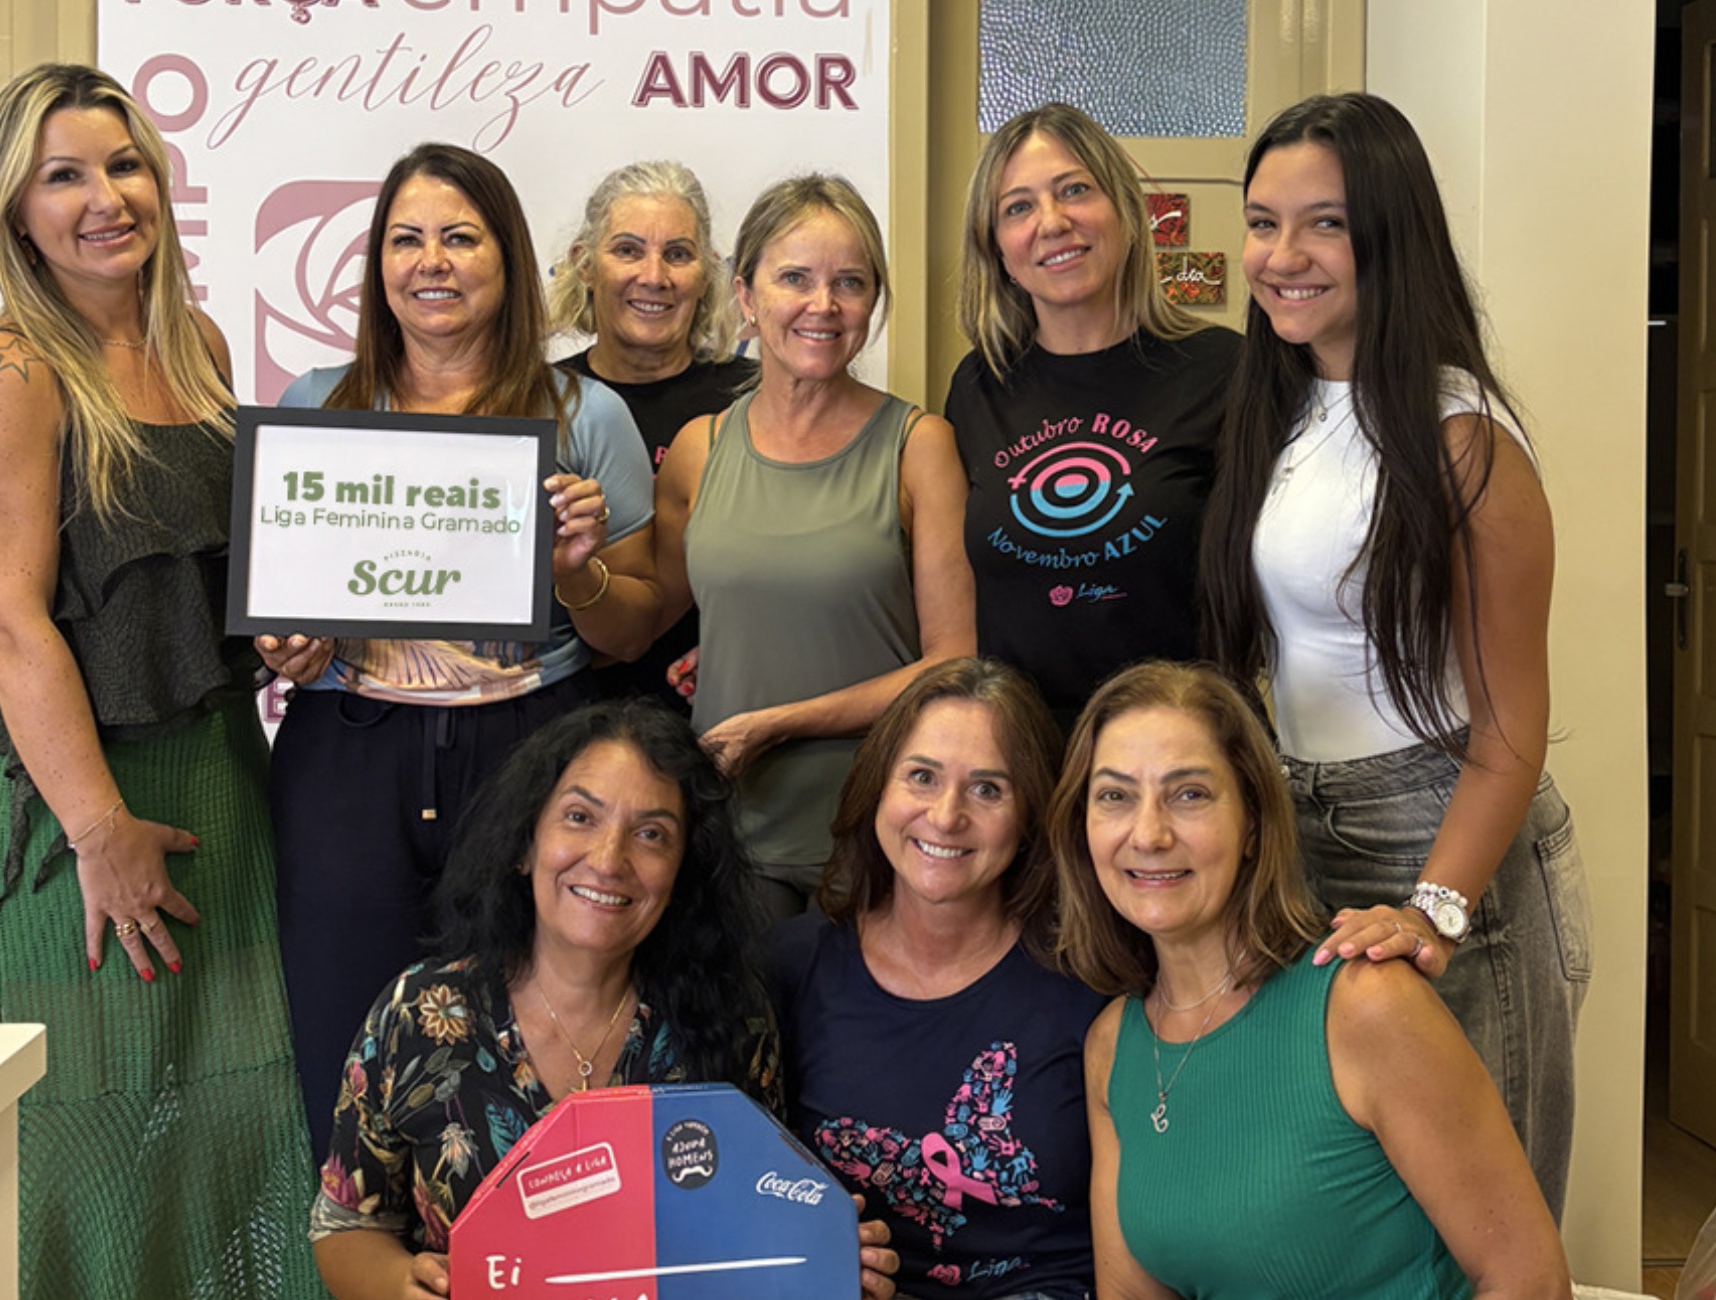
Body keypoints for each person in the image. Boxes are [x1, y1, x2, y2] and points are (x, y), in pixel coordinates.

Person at [0, 64, 321, 1299]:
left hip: (218, 775)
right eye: (63, 177)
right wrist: (98, 828)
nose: (105, 198)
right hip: (69, 803)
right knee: (84, 1123)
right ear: (16, 212)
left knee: (238, 1102)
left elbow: (207, 576)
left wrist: (280, 638)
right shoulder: (10, 371)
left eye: (122, 166)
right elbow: (11, 625)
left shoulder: (195, 344)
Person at [1198, 92, 1590, 1215]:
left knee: (1481, 1220)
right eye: (1262, 222)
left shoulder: (1462, 437)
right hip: (1306, 828)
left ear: (1390, 232)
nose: (1281, 256)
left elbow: (1507, 729)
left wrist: (1435, 910)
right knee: (1359, 1218)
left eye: (1323, 223)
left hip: (1442, 839)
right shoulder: (1282, 404)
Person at [261, 143, 663, 1161]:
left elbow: (630, 631)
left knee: (524, 1040)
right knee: (344, 1041)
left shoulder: (586, 415)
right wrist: (288, 648)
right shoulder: (314, 405)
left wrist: (577, 570)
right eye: (406, 239)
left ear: (508, 259)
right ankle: (364, 1240)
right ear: (377, 266)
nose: (431, 261)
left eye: (460, 237)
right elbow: (280, 621)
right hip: (349, 753)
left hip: (531, 752)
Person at [309, 699, 901, 1300]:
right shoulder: (419, 1013)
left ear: (682, 874)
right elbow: (345, 1224)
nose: (609, 859)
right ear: (524, 843)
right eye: (579, 817)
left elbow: (756, 1228)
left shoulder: (731, 1019)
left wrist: (824, 1254)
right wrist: (400, 1285)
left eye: (651, 834)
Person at [1051, 662, 1568, 1299]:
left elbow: (1530, 1282)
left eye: (1190, 794)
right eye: (1115, 796)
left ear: (1253, 824)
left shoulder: (1365, 1002)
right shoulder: (1111, 1048)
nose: (1149, 833)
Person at [654, 173, 976, 922]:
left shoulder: (919, 446)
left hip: (883, 836)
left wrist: (779, 722)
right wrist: (572, 569)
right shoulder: (700, 449)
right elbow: (649, 618)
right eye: (794, 278)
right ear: (745, 295)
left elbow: (953, 664)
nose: (823, 304)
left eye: (850, 283)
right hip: (734, 838)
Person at [769, 658, 1105, 1299]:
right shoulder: (789, 966)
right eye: (921, 777)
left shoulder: (1090, 978)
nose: (946, 816)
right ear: (877, 787)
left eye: (988, 789)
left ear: (1030, 815)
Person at [947, 104, 1240, 729]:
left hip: (1174, 749)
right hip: (1019, 754)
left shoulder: (1223, 368)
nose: (1052, 222)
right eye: (1017, 207)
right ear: (997, 249)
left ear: (1125, 210)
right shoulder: (977, 385)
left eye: (1075, 190)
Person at [550, 159, 758, 711]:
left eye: (678, 254)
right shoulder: (539, 401)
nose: (654, 276)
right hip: (563, 712)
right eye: (628, 250)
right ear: (584, 263)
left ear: (708, 272)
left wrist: (761, 644)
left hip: (723, 709)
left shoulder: (757, 401)